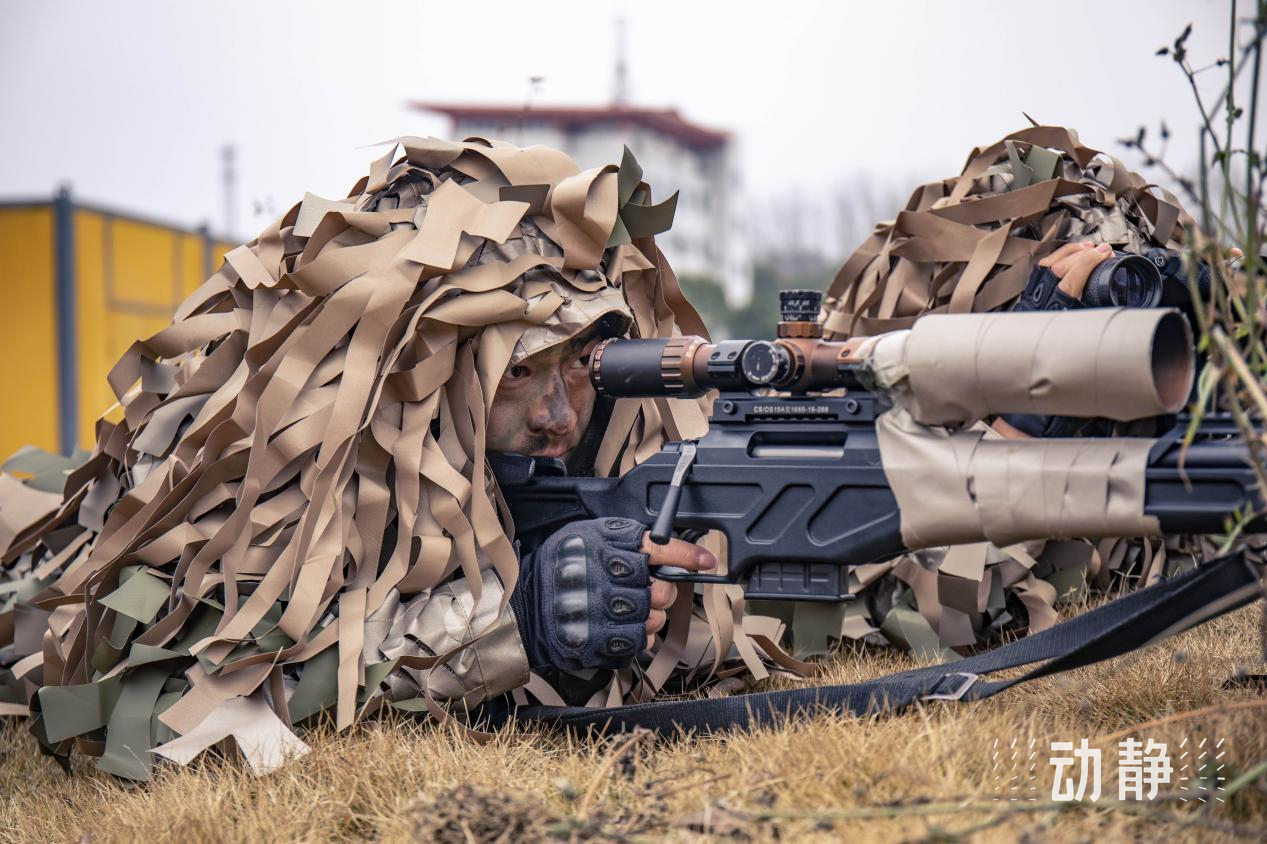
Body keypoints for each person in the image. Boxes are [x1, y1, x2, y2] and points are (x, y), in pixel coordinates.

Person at [0, 137, 787, 779]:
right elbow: (165, 700)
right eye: (519, 372)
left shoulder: (623, 435)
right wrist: (512, 625)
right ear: (433, 375)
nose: (557, 416)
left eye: (581, 367)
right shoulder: (282, 451)